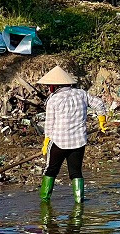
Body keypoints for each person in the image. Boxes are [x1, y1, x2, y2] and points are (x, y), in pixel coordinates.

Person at [37, 66, 107, 204]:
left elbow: (49, 124)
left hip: (58, 142)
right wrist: (102, 121)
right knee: (76, 172)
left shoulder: (53, 100)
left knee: (51, 170)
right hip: (78, 141)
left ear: (54, 86)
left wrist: (46, 142)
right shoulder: (81, 94)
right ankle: (79, 201)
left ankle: (44, 201)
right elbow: (99, 104)